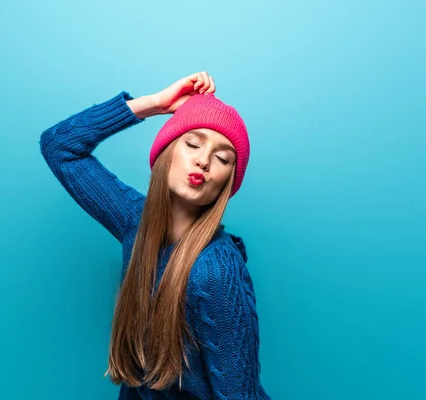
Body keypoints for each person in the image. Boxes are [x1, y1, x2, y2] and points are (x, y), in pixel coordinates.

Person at [39, 72, 271, 400]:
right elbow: (59, 146)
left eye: (222, 158)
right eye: (192, 143)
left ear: (226, 184)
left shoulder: (215, 272)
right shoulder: (135, 220)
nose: (203, 161)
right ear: (167, 153)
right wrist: (155, 104)